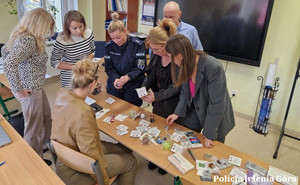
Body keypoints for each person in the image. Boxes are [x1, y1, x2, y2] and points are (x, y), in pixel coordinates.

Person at [51, 59, 137, 185]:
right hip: (74, 167)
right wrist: (103, 180)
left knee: (124, 150)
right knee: (131, 161)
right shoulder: (84, 112)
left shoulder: (62, 92)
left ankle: (118, 171)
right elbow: (90, 152)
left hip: (66, 154)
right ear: (93, 82)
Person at [1, 8, 54, 164]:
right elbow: (9, 63)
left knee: (46, 118)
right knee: (34, 129)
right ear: (39, 25)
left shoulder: (22, 37)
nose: (48, 32)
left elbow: (4, 51)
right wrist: (17, 90)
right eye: (47, 28)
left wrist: (24, 71)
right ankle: (35, 160)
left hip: (37, 86)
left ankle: (42, 145)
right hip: (30, 91)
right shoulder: (29, 41)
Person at [165, 34, 235, 148]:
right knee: (187, 136)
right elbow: (184, 91)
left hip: (216, 114)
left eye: (170, 57)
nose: (170, 60)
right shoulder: (183, 64)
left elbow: (217, 104)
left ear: (180, 55)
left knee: (214, 147)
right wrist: (177, 112)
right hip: (196, 107)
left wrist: (209, 133)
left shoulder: (213, 67)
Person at [142, 18, 180, 175]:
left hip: (173, 103)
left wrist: (156, 96)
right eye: (153, 50)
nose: (155, 53)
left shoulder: (178, 59)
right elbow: (150, 75)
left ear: (167, 45)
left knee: (169, 134)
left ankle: (164, 162)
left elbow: (176, 87)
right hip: (158, 101)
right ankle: (154, 158)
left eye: (157, 50)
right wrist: (144, 88)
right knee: (156, 130)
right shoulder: (157, 55)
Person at [105, 12, 146, 106]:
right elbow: (108, 68)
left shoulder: (137, 45)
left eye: (118, 37)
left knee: (131, 110)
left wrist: (128, 77)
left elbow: (140, 67)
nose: (116, 41)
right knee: (113, 107)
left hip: (133, 83)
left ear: (125, 31)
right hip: (116, 83)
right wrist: (115, 78)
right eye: (113, 38)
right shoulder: (109, 46)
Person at [51, 10, 95, 88]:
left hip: (85, 74)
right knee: (72, 98)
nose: (79, 31)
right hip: (70, 78)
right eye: (74, 28)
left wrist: (86, 63)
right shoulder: (62, 40)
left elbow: (93, 51)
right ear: (67, 28)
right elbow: (54, 62)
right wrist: (75, 67)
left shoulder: (88, 33)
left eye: (81, 27)